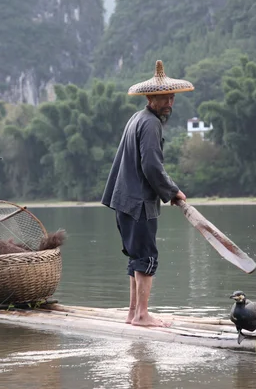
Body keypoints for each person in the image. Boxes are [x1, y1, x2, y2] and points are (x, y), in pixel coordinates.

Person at [102, 60, 193, 327]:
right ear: (150, 97)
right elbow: (151, 165)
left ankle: (133, 314)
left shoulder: (136, 119)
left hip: (124, 201)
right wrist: (173, 191)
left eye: (172, 97)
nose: (169, 103)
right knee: (147, 257)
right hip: (139, 202)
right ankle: (142, 315)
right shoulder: (150, 124)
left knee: (137, 258)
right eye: (164, 97)